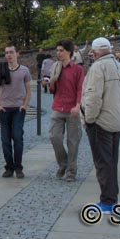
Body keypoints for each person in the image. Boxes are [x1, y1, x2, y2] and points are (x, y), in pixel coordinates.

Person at [81, 36, 120, 214]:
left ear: (95, 52)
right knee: (112, 161)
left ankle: (108, 202)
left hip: (101, 122)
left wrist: (89, 119)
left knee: (103, 163)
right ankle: (112, 198)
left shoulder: (98, 67)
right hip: (117, 120)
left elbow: (93, 97)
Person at [48, 39, 85, 181]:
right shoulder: (55, 67)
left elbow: (80, 89)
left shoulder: (77, 70)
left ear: (69, 52)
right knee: (54, 136)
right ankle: (63, 163)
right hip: (57, 107)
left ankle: (71, 171)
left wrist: (77, 105)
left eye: (61, 50)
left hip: (72, 109)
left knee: (73, 141)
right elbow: (52, 90)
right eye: (57, 50)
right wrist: (50, 83)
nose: (58, 53)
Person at [0, 44, 32, 178]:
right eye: (6, 53)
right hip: (4, 108)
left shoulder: (24, 70)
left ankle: (18, 167)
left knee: (17, 137)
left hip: (18, 109)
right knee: (5, 139)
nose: (9, 55)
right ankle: (9, 167)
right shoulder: (1, 69)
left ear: (17, 54)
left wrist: (25, 104)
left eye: (11, 52)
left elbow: (28, 89)